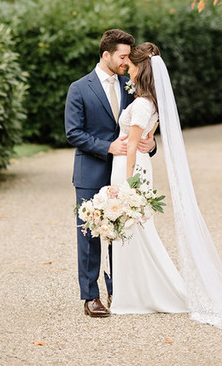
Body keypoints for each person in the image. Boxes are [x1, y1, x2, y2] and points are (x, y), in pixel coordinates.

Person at [110, 42, 222, 330]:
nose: (129, 69)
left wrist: (127, 184)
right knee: (138, 230)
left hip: (130, 169)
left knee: (133, 229)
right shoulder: (153, 102)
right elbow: (146, 140)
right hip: (141, 165)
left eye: (133, 65)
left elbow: (131, 148)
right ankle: (135, 292)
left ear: (141, 68)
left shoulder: (140, 104)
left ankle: (137, 295)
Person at [64, 29, 156, 317]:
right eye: (123, 56)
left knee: (123, 232)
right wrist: (108, 147)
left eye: (129, 57)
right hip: (91, 172)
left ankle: (119, 289)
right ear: (106, 55)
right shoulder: (79, 88)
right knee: (90, 236)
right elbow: (73, 133)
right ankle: (91, 296)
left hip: (121, 173)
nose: (127, 62)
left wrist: (150, 145)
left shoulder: (131, 86)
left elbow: (140, 125)